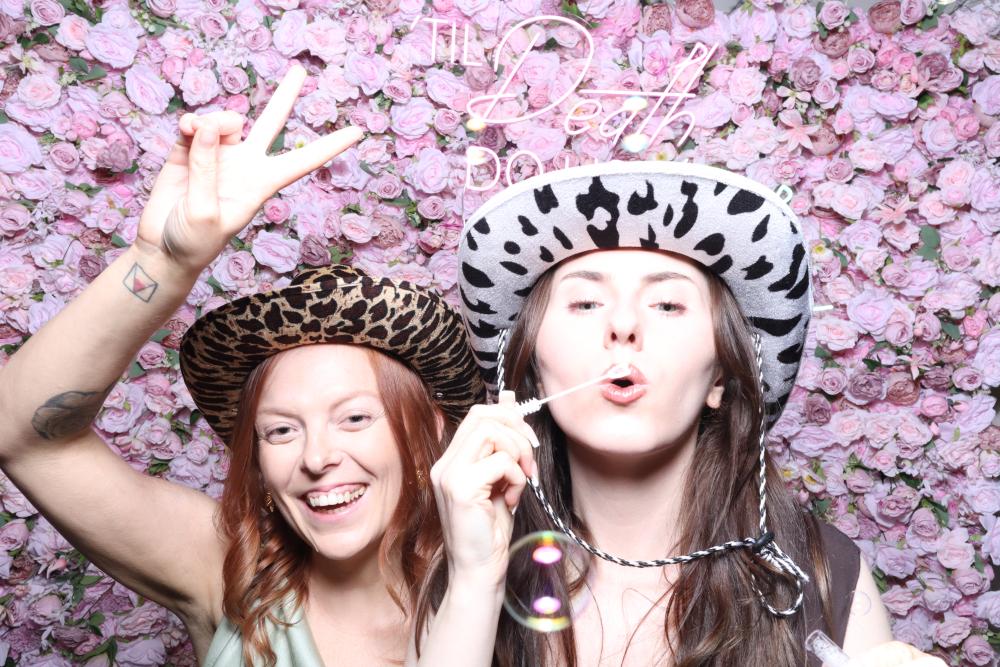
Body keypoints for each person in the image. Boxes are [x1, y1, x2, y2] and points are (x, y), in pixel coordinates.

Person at [0, 65, 484, 666]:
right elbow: (21, 435)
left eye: (355, 418)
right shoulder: (228, 572)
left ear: (431, 426)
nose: (316, 458)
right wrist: (161, 261)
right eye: (279, 430)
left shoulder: (513, 586)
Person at [413, 161, 947, 666]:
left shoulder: (823, 573)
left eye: (667, 304)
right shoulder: (463, 567)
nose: (624, 325)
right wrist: (475, 581)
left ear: (720, 377)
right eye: (586, 303)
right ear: (532, 370)